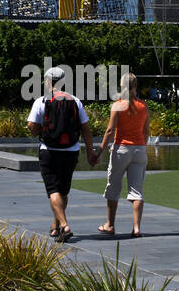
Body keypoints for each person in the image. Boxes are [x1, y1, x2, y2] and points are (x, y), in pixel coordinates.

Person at [26, 67, 96, 242]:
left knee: (53, 190)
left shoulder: (41, 101)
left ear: (48, 81)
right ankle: (55, 227)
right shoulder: (75, 101)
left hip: (49, 151)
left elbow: (32, 128)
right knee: (63, 190)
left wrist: (40, 128)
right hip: (71, 151)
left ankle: (64, 224)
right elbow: (86, 130)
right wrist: (90, 152)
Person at [96, 72, 150, 238]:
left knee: (113, 186)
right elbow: (146, 131)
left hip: (122, 149)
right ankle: (136, 228)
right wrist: (141, 146)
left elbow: (110, 130)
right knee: (137, 191)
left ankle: (110, 225)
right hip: (139, 149)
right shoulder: (143, 105)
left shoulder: (118, 105)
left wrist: (100, 151)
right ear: (135, 86)